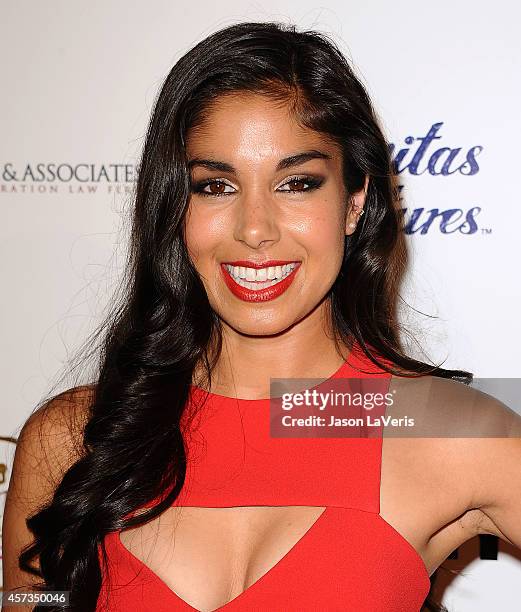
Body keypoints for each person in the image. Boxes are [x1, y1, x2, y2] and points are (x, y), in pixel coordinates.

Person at [3, 21, 521, 612]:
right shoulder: (70, 441)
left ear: (354, 203)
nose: (255, 229)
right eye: (216, 186)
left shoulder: (445, 431)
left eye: (297, 183)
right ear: (175, 206)